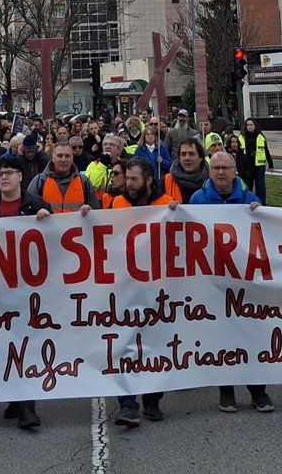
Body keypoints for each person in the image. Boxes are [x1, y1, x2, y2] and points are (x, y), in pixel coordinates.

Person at [184, 150, 274, 414]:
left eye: (225, 167)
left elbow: (267, 235)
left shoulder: (250, 200)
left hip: (245, 280)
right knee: (220, 336)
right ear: (209, 171)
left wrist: (262, 214)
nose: (220, 172)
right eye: (216, 168)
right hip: (213, 281)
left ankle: (258, 391)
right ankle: (226, 391)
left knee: (250, 335)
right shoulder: (198, 201)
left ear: (235, 170)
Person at [0, 160, 52, 430]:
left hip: (30, 292)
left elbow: (56, 243)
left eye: (9, 173)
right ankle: (15, 397)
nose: (4, 177)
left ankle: (27, 407)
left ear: (20, 177)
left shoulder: (37, 206)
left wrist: (47, 221)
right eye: (0, 174)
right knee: (4, 347)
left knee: (26, 345)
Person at [111, 158, 178, 426]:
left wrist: (177, 214)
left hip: (157, 287)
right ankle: (127, 404)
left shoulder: (166, 204)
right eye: (127, 178)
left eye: (134, 179)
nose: (129, 183)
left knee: (156, 344)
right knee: (124, 344)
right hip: (124, 285)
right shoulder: (117, 203)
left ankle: (152, 399)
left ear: (149, 180)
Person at [27, 142, 100, 214]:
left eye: (67, 156)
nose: (63, 160)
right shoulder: (39, 182)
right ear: (53, 158)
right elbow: (27, 211)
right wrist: (38, 212)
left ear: (72, 158)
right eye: (59, 156)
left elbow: (97, 212)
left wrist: (90, 211)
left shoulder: (84, 182)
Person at [167, 137, 209, 202]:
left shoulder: (211, 181)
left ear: (201, 158)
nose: (187, 158)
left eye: (191, 154)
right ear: (179, 158)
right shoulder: (166, 181)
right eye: (183, 154)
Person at [241, 118, 273, 203]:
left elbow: (266, 150)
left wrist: (270, 164)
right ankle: (248, 203)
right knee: (248, 186)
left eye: (251, 125)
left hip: (259, 166)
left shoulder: (260, 137)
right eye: (247, 125)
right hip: (247, 166)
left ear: (255, 126)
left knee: (260, 186)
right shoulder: (241, 137)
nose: (249, 127)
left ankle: (261, 203)